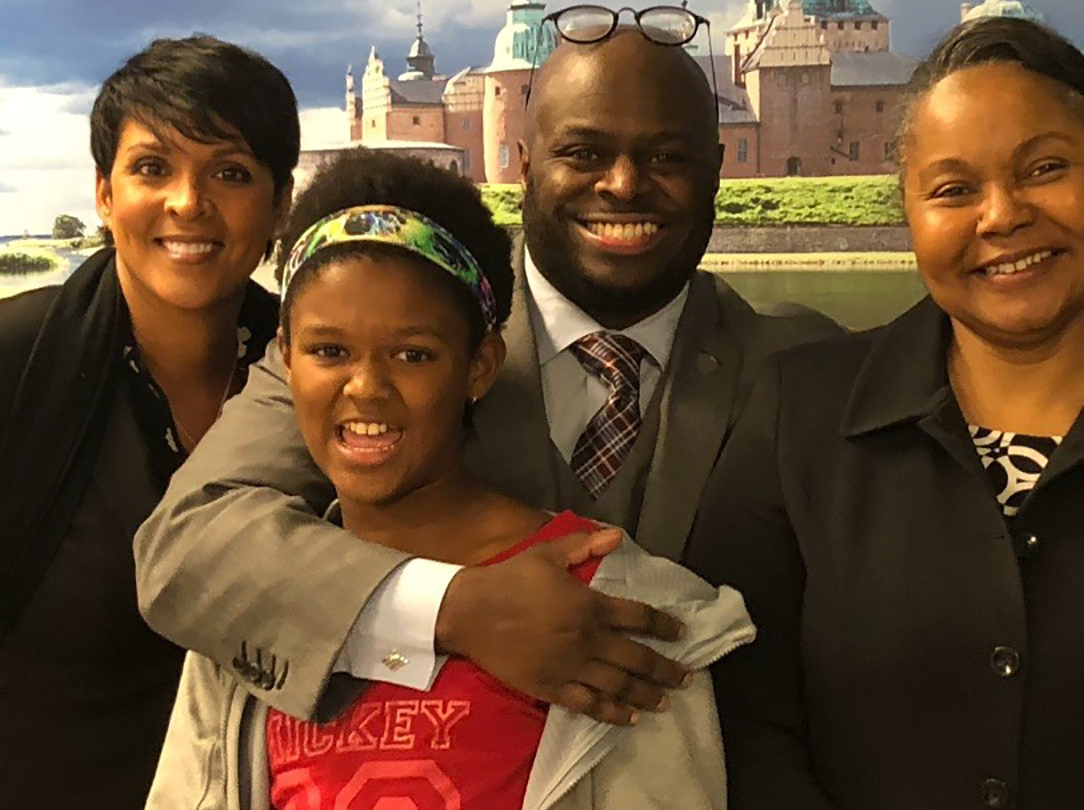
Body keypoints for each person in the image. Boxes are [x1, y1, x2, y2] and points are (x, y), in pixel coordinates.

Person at [133, 10, 845, 731]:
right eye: (584, 153)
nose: (624, 186)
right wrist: (449, 608)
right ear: (526, 165)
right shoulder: (381, 335)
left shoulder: (802, 368)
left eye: (666, 159)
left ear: (718, 169)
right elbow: (189, 544)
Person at [685, 16, 1084, 810]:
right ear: (910, 215)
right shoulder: (798, 415)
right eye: (954, 190)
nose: (1001, 216)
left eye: (1045, 168)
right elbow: (742, 708)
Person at [148, 151, 755, 810]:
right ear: (286, 360)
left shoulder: (613, 616)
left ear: (480, 367)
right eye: (329, 351)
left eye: (413, 355)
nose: (366, 387)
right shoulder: (252, 604)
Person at [0, 35, 297, 806]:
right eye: (152, 168)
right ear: (104, 194)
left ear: (280, 203)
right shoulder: (16, 365)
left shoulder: (324, 375)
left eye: (230, 173)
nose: (188, 203)